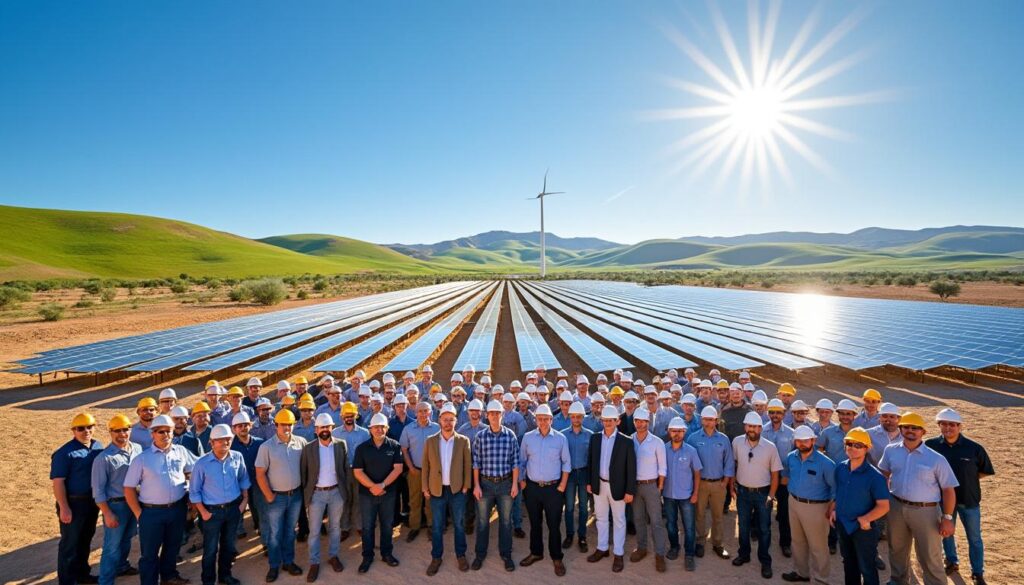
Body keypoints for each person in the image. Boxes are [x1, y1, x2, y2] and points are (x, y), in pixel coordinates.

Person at [878, 412, 959, 585]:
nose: (910, 431)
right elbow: (883, 474)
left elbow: (949, 490)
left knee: (929, 555)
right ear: (900, 429)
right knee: (896, 549)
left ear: (923, 432)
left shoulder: (936, 459)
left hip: (927, 511)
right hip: (896, 507)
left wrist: (947, 518)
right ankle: (898, 581)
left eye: (915, 428)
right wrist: (884, 501)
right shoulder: (890, 450)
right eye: (906, 427)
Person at [123, 414, 196, 585]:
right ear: (152, 434)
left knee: (172, 547)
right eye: (160, 431)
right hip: (151, 513)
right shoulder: (142, 458)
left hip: (177, 509)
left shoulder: (181, 452)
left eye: (168, 431)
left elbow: (195, 469)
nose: (165, 435)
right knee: (149, 554)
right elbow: (128, 488)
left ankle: (169, 576)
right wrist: (139, 513)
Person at [925, 408, 994, 585]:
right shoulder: (930, 445)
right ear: (939, 425)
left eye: (952, 424)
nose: (948, 428)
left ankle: (977, 572)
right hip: (943, 501)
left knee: (975, 538)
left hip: (969, 501)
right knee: (946, 533)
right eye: (944, 424)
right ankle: (952, 561)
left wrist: (966, 479)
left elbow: (984, 471)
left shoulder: (974, 448)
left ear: (959, 426)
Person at [190, 424, 248, 585]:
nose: (225, 442)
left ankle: (225, 576)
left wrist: (244, 501)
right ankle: (208, 581)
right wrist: (204, 513)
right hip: (211, 513)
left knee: (228, 546)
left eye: (228, 439)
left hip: (233, 509)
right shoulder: (202, 463)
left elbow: (243, 479)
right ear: (212, 442)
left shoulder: (237, 457)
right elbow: (194, 491)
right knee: (210, 550)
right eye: (220, 440)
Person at [830, 427, 889, 585]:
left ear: (867, 448)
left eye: (858, 445)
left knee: (867, 567)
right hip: (843, 525)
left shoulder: (875, 476)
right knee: (849, 564)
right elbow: (839, 492)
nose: (853, 448)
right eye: (849, 444)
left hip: (863, 529)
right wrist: (834, 510)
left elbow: (883, 506)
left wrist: (866, 519)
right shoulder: (840, 468)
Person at [254, 409, 307, 582]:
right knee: (275, 533)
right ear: (276, 425)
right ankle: (274, 565)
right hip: (276, 497)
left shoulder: (301, 442)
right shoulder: (266, 447)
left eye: (290, 424)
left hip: (295, 496)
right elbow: (260, 473)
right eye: (283, 424)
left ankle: (289, 562)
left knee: (290, 532)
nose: (287, 428)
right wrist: (269, 495)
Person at [518, 404, 571, 576]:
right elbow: (522, 461)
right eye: (539, 419)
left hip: (553, 489)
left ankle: (557, 557)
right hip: (532, 488)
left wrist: (562, 485)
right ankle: (536, 552)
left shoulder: (560, 439)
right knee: (535, 523)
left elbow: (566, 463)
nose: (542, 422)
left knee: (554, 525)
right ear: (536, 420)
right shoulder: (527, 438)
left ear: (551, 420)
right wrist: (523, 482)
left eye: (546, 419)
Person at [53, 413, 105, 585]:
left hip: (91, 502)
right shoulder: (64, 453)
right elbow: (58, 482)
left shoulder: (98, 446)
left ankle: (82, 575)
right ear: (73, 430)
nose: (86, 431)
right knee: (70, 544)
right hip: (73, 503)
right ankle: (67, 581)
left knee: (85, 540)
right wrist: (64, 507)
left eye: (89, 427)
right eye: (80, 428)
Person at [422, 403, 473, 575]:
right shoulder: (430, 441)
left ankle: (461, 555)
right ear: (439, 420)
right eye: (445, 419)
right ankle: (436, 557)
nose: (448, 423)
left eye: (451, 420)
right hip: (436, 491)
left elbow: (468, 464)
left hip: (457, 490)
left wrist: (466, 485)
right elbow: (426, 467)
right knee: (437, 526)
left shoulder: (463, 441)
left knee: (459, 524)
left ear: (456, 421)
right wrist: (425, 488)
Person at [471, 399, 521, 572]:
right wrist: (476, 485)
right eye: (491, 413)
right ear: (487, 415)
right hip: (485, 485)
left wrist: (515, 484)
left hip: (506, 484)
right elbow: (476, 463)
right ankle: (480, 554)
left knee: (506, 522)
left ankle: (506, 554)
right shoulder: (480, 436)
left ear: (502, 415)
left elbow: (515, 462)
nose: (494, 416)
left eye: (497, 413)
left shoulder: (510, 436)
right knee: (483, 521)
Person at [731, 411, 782, 579]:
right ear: (745, 426)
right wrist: (732, 486)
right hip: (743, 492)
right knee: (743, 526)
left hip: (763, 494)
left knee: (764, 529)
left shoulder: (770, 447)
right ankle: (744, 554)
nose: (752, 429)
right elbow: (734, 464)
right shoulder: (737, 442)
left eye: (755, 426)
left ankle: (765, 560)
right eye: (749, 426)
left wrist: (771, 496)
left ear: (761, 428)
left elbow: (775, 474)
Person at [585, 404, 636, 573]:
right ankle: (602, 548)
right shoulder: (595, 438)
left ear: (617, 421)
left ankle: (618, 553)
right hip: (599, 485)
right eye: (605, 420)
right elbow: (591, 462)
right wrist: (590, 482)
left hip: (618, 488)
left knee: (619, 520)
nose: (607, 423)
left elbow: (631, 469)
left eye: (611, 420)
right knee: (600, 518)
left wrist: (630, 491)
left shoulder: (626, 441)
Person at [782, 425, 836, 584]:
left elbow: (834, 488)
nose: (802, 443)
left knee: (818, 546)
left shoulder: (826, 463)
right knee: (797, 541)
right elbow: (786, 476)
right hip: (794, 503)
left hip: (817, 508)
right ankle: (801, 573)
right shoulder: (791, 457)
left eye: (806, 440)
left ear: (813, 440)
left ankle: (821, 578)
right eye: (798, 441)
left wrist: (832, 507)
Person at [92, 414, 142, 585]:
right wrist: (107, 513)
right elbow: (98, 490)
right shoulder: (103, 458)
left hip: (134, 503)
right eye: (117, 431)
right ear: (110, 433)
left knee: (127, 538)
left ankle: (122, 566)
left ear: (130, 430)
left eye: (125, 429)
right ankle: (105, 581)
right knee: (112, 547)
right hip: (117, 506)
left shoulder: (138, 449)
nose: (122, 434)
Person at [352, 413, 404, 573]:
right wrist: (373, 487)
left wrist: (381, 485)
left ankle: (386, 553)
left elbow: (398, 469)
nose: (379, 429)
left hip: (388, 494)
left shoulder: (394, 446)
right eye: (376, 427)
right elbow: (358, 472)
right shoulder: (362, 448)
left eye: (382, 427)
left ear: (387, 428)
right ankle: (367, 556)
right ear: (370, 429)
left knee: (387, 525)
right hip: (367, 495)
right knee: (367, 527)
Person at [299, 413, 350, 581]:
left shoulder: (341, 445)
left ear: (332, 428)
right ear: (316, 429)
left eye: (328, 427)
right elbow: (304, 474)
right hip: (317, 495)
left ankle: (333, 556)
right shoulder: (309, 448)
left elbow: (345, 470)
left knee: (335, 528)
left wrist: (345, 492)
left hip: (336, 493)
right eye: (322, 427)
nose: (325, 430)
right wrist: (308, 494)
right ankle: (314, 562)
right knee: (314, 531)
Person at [687, 405, 734, 560]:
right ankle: (700, 542)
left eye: (711, 420)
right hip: (700, 484)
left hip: (718, 484)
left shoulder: (723, 439)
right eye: (706, 419)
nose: (708, 423)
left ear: (716, 421)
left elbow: (728, 462)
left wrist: (725, 481)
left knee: (717, 515)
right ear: (702, 420)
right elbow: (689, 462)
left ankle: (717, 544)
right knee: (699, 514)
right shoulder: (693, 438)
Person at [629, 408, 668, 572]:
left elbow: (663, 468)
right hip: (635, 486)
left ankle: (659, 554)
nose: (640, 424)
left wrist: (659, 488)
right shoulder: (629, 440)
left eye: (643, 421)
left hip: (651, 485)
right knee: (638, 519)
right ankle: (642, 548)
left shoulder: (657, 442)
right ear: (634, 422)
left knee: (656, 521)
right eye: (637, 421)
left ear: (648, 422)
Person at [663, 416, 701, 571]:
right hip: (668, 495)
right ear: (669, 432)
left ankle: (689, 554)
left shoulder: (691, 451)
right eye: (674, 431)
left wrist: (695, 493)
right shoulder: (663, 449)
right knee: (671, 524)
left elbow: (697, 473)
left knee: (689, 526)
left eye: (679, 431)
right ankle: (674, 547)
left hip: (686, 496)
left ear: (684, 432)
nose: (676, 434)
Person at [400, 401, 440, 542]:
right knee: (415, 500)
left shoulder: (437, 428)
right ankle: (415, 527)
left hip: (432, 472)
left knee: (431, 500)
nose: (423, 414)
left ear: (430, 412)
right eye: (420, 411)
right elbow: (404, 449)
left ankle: (431, 526)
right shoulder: (408, 429)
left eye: (426, 411)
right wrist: (410, 468)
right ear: (415, 413)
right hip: (415, 471)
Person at [763, 398, 795, 558]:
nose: (775, 415)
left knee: (784, 513)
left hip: (783, 479)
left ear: (784, 413)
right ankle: (761, 537)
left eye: (778, 412)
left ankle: (785, 543)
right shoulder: (761, 431)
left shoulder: (791, 434)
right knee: (763, 510)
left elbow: (795, 458)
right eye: (772, 412)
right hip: (765, 478)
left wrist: (788, 475)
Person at [333, 401, 370, 540]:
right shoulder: (334, 433)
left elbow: (367, 452)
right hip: (342, 471)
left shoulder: (364, 433)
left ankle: (359, 525)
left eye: (351, 415)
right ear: (342, 417)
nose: (349, 418)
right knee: (344, 499)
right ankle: (345, 527)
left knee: (358, 499)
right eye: (346, 415)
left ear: (356, 415)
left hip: (359, 471)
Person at [229, 412, 265, 542]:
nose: (243, 428)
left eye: (245, 425)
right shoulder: (230, 446)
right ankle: (239, 528)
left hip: (257, 481)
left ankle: (260, 526)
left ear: (250, 426)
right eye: (239, 426)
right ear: (234, 429)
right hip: (238, 483)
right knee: (238, 506)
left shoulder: (260, 443)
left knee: (258, 505)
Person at [563, 401, 593, 552]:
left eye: (579, 417)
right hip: (568, 475)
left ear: (583, 418)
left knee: (583, 507)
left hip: (584, 474)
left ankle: (582, 536)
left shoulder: (590, 435)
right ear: (570, 417)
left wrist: (591, 480)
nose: (576, 419)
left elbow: (593, 460)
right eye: (573, 416)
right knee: (568, 507)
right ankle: (569, 534)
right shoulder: (562, 435)